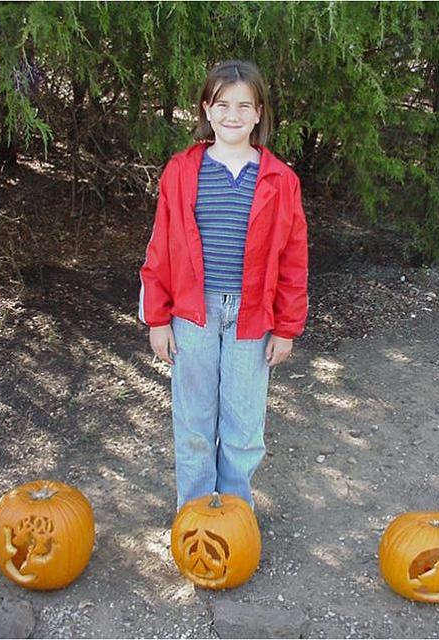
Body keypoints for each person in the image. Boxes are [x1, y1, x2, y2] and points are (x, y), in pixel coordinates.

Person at [139, 59, 308, 510]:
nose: (232, 115)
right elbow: (160, 249)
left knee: (243, 424)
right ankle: (194, 515)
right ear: (206, 110)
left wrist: (287, 326)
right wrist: (157, 318)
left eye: (243, 106)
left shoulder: (279, 180)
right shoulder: (181, 171)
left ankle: (234, 516)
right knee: (194, 423)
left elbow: (293, 259)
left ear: (258, 114)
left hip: (252, 318)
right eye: (222, 104)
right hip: (193, 312)